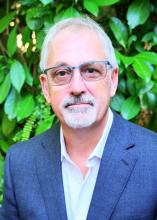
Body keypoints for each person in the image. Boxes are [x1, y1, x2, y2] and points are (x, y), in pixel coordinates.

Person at [1, 16, 157, 220]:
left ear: (113, 80)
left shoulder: (153, 157)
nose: (76, 87)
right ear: (46, 88)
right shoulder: (20, 163)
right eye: (62, 73)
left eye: (91, 70)